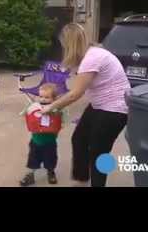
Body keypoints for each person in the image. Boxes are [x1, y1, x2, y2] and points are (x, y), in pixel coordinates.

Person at [41, 23, 131, 187]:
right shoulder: (90, 56)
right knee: (79, 138)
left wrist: (51, 107)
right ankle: (81, 179)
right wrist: (56, 100)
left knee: (98, 151)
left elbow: (76, 94)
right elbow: (77, 90)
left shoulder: (92, 58)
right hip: (100, 105)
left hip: (115, 109)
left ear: (70, 44)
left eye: (64, 45)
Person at [19, 83, 66, 186]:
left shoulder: (56, 109)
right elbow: (23, 114)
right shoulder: (34, 106)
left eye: (47, 97)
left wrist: (54, 112)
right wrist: (30, 111)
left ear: (54, 99)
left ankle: (51, 172)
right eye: (41, 96)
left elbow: (62, 120)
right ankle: (30, 174)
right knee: (33, 159)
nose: (43, 99)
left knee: (51, 158)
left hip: (50, 141)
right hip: (36, 140)